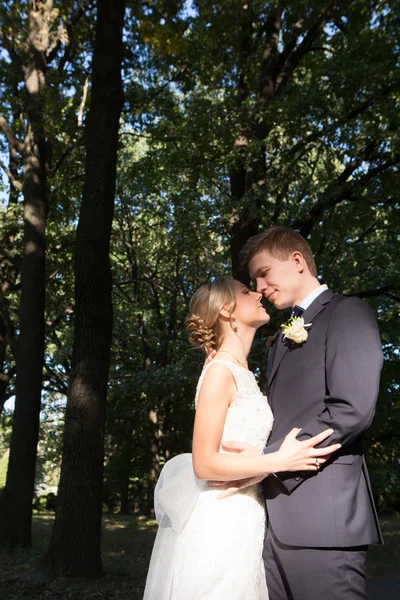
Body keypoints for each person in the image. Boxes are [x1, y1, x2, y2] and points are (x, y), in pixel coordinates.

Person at [143, 276, 340, 600]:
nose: (259, 293)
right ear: (226, 311)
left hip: (245, 515)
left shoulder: (240, 371)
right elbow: (204, 464)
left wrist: (262, 465)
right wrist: (279, 460)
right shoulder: (220, 371)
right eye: (247, 292)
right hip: (220, 519)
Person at [217, 226, 383, 600]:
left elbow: (352, 408)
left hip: (324, 519)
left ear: (297, 262)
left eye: (264, 273)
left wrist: (271, 461)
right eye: (254, 280)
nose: (259, 286)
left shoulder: (347, 313)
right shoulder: (279, 341)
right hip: (271, 523)